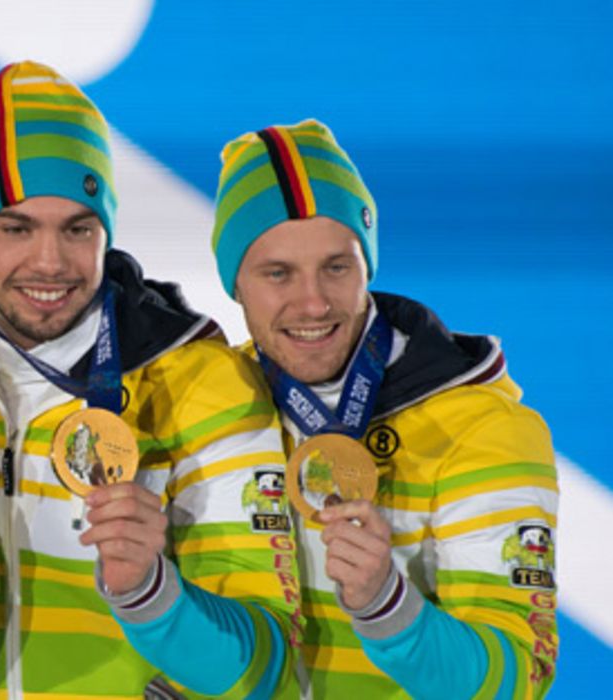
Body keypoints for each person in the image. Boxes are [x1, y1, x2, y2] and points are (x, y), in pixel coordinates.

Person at [0, 61, 299, 699]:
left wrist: (153, 594)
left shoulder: (204, 382)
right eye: (17, 227)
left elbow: (264, 671)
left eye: (78, 229)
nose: (50, 262)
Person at [210, 119, 559, 697]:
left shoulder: (484, 429)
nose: (313, 302)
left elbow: (516, 679)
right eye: (278, 273)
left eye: (336, 266)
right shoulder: (209, 406)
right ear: (234, 283)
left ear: (367, 265)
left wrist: (389, 607)